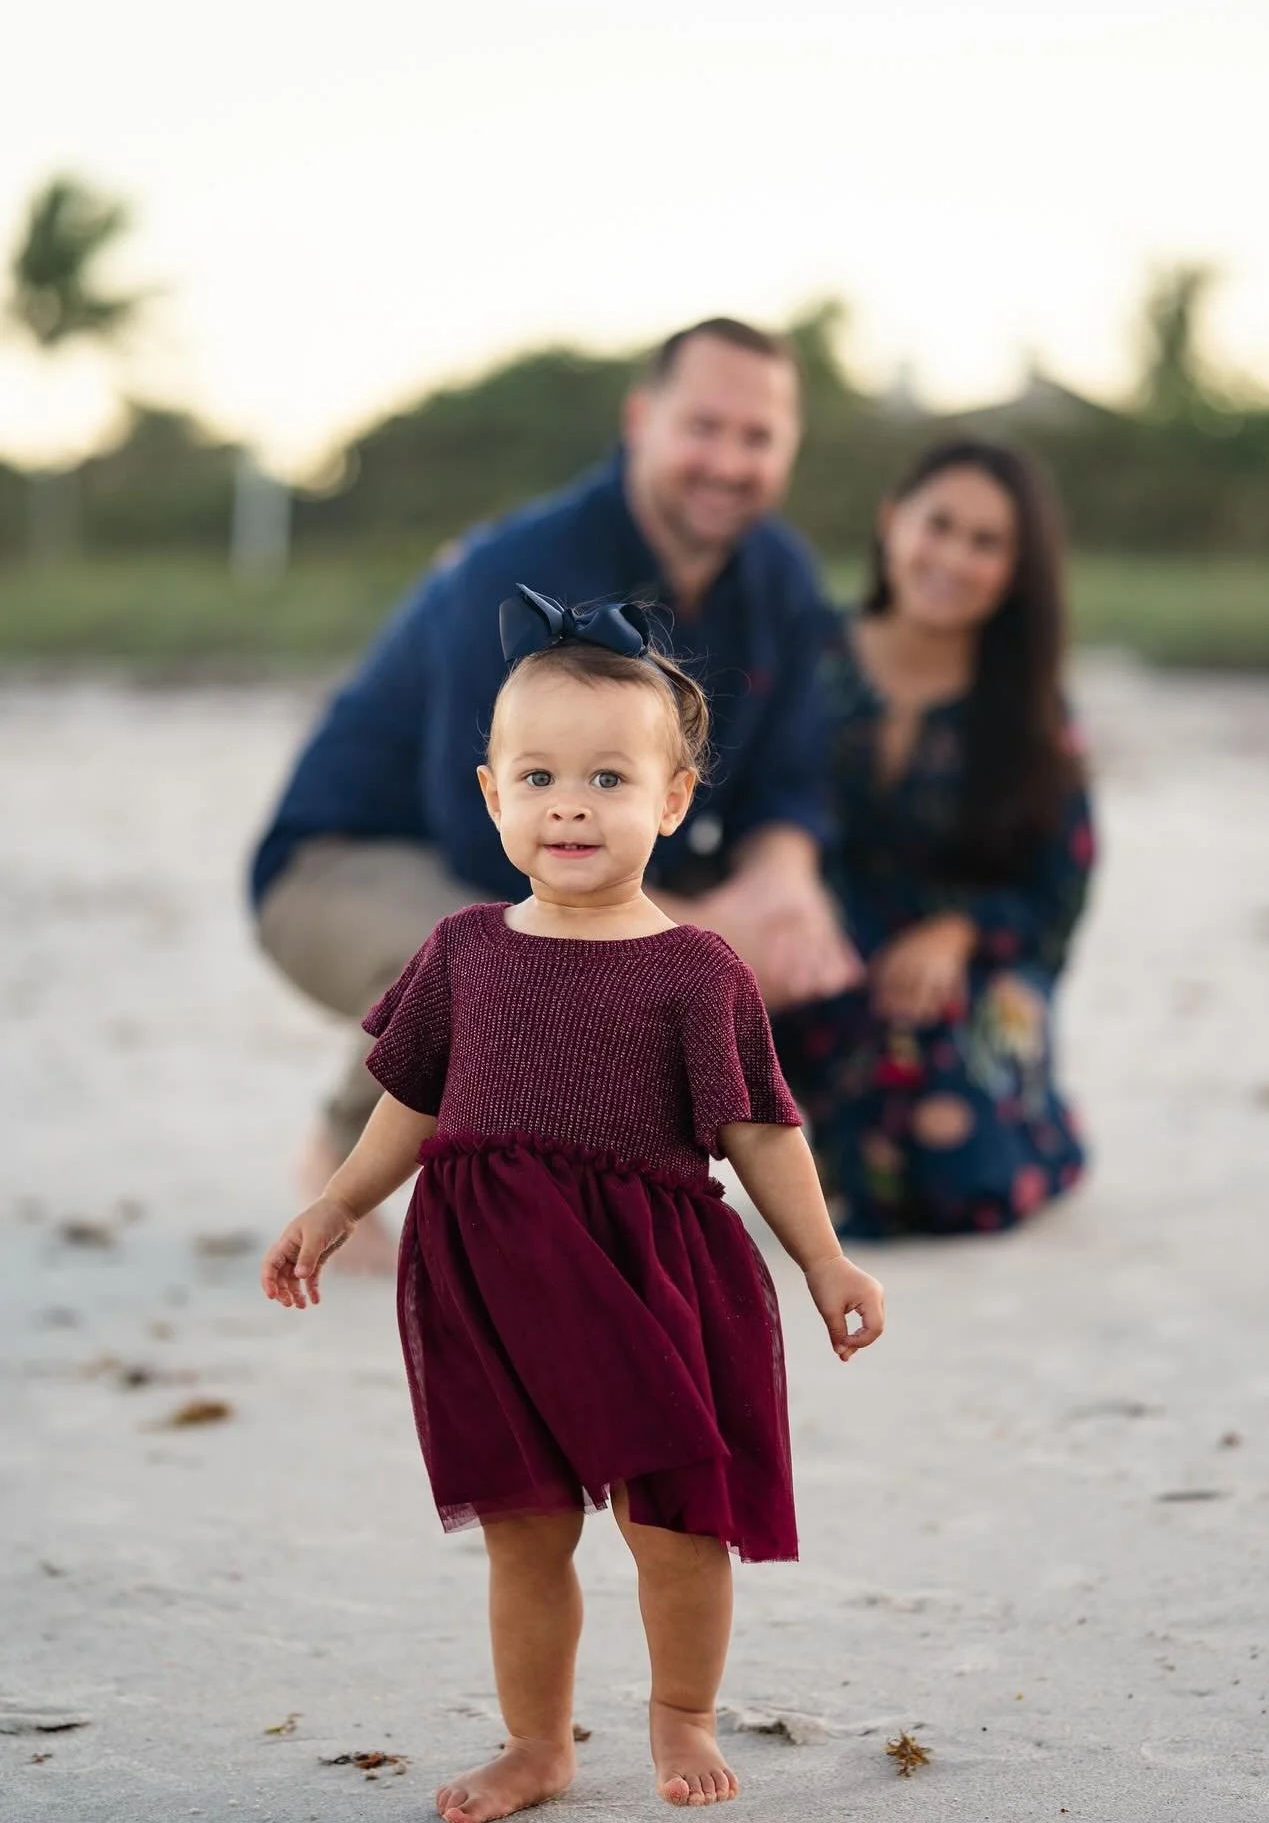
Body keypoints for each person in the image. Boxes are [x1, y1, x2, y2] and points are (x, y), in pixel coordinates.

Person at [259, 593, 886, 1823]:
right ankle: (537, 1742)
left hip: (647, 1279)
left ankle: (683, 1711)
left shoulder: (696, 968)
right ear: (491, 793)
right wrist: (336, 1203)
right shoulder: (464, 949)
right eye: (539, 776)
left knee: (676, 1522)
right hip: (490, 1284)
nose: (570, 804)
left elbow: (763, 1128)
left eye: (608, 776)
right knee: (524, 1531)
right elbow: (410, 1099)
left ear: (674, 799)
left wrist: (824, 1260)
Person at [249, 317, 861, 1258]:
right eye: (704, 427)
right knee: (502, 960)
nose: (728, 462)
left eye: (758, 437)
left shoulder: (779, 575)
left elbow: (791, 770)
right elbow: (479, 823)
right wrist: (694, 926)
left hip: (567, 847)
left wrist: (784, 883)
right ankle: (343, 1147)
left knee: (765, 933)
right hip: (343, 863)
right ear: (641, 420)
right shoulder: (519, 568)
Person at [772, 439, 1096, 1237]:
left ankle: (1035, 1126)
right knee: (880, 1158)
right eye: (938, 525)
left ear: (1015, 569)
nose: (952, 557)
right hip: (815, 949)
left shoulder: (1030, 707)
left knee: (965, 1181)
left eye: (986, 542)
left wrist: (960, 930)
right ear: (892, 523)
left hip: (971, 964)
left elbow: (1060, 887)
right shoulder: (802, 659)